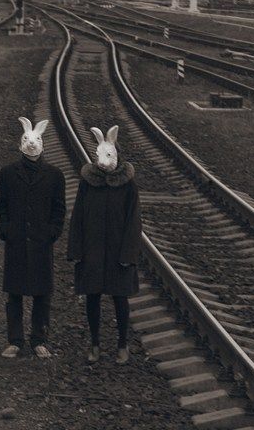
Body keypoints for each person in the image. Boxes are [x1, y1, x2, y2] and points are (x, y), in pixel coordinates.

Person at [68, 125, 141, 365]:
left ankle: (122, 343)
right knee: (93, 297)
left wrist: (128, 253)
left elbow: (133, 220)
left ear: (117, 156)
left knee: (120, 298)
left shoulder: (127, 184)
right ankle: (95, 343)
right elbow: (78, 214)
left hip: (118, 251)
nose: (102, 161)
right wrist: (76, 249)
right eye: (99, 155)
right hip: (93, 248)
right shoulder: (89, 181)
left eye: (108, 155)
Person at [0, 117, 66, 359]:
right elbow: (1, 205)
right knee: (14, 293)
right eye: (27, 140)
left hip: (40, 241)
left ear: (42, 144)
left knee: (41, 293)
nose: (31, 145)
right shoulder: (7, 174)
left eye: (36, 141)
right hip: (16, 240)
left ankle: (39, 339)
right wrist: (5, 228)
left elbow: (59, 210)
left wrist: (51, 232)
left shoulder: (55, 176)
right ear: (20, 144)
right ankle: (15, 340)